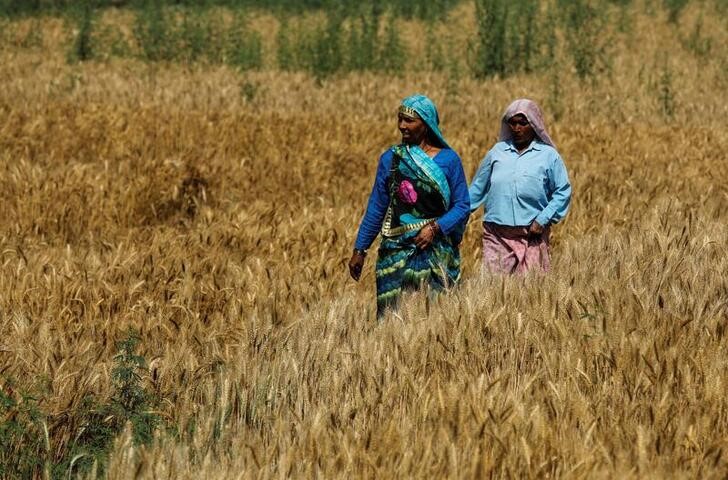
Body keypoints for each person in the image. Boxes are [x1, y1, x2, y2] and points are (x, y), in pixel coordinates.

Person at [349, 94, 470, 316]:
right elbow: (377, 206)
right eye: (400, 119)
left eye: (409, 120)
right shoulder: (391, 159)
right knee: (392, 319)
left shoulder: (449, 160)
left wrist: (434, 229)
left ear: (426, 123)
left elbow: (462, 205)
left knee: (436, 319)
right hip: (395, 253)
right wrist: (360, 249)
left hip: (435, 253)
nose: (402, 126)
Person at [469, 98, 571, 274]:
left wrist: (543, 219)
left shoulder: (548, 156)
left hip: (532, 233)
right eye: (512, 123)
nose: (516, 128)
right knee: (492, 289)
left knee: (530, 290)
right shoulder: (497, 152)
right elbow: (477, 188)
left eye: (522, 123)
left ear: (534, 124)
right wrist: (452, 216)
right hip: (497, 233)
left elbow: (562, 191)